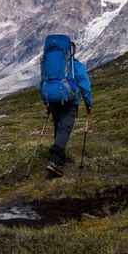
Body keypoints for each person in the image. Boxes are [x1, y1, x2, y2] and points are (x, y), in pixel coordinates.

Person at [45, 41, 92, 177]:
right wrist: (88, 104)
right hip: (69, 102)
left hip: (53, 101)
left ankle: (59, 159)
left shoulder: (52, 67)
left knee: (58, 128)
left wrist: (46, 103)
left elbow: (43, 83)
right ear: (72, 51)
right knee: (64, 130)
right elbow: (85, 86)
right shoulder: (75, 66)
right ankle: (54, 161)